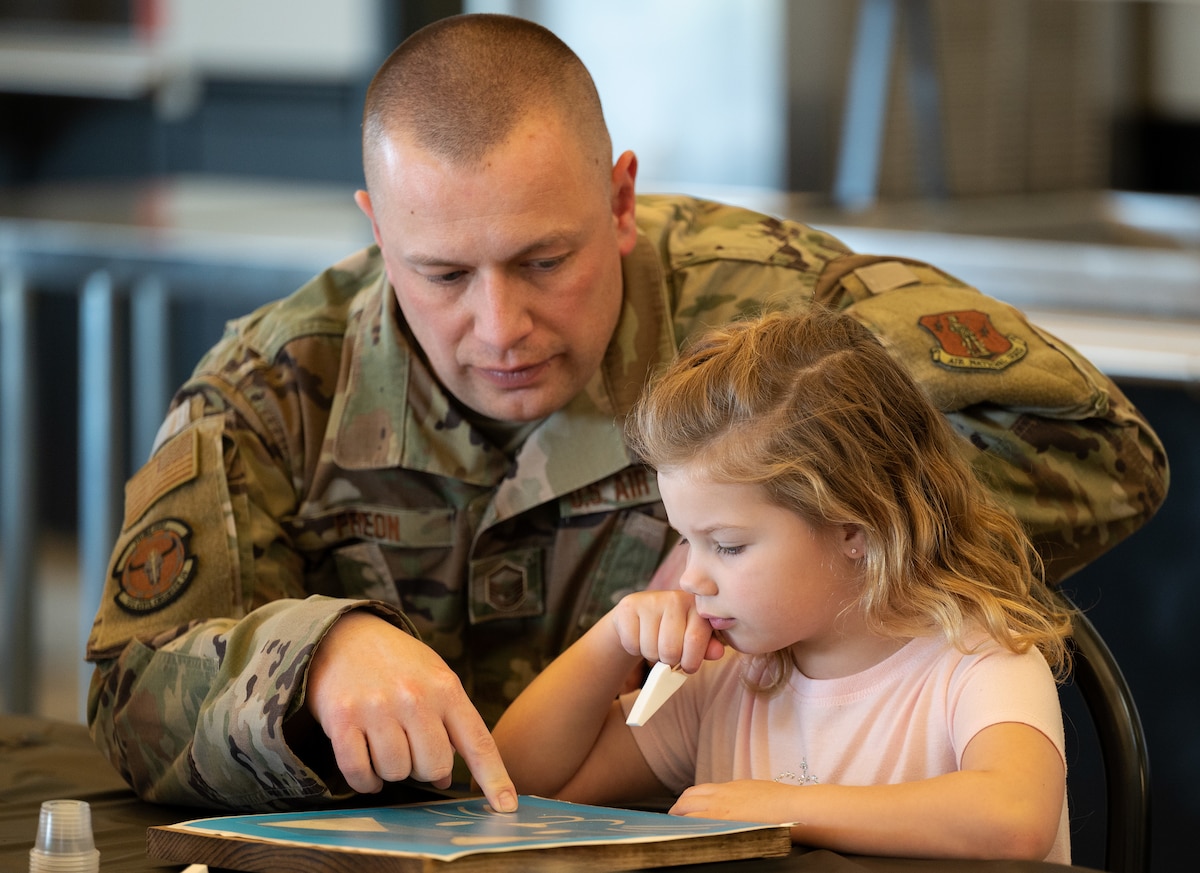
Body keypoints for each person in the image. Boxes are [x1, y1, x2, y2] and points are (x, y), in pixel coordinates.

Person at [85, 13, 1167, 814]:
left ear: (617, 201)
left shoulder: (773, 324)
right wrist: (306, 659)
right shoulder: (283, 384)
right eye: (443, 274)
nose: (499, 325)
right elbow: (130, 684)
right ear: (377, 229)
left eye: (545, 260)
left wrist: (824, 538)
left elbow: (1100, 450)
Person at [493, 306, 1074, 863]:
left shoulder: (979, 662)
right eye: (684, 540)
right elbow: (514, 783)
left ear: (857, 528)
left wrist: (784, 810)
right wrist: (611, 638)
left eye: (727, 546)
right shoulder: (727, 680)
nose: (691, 578)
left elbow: (1014, 817)